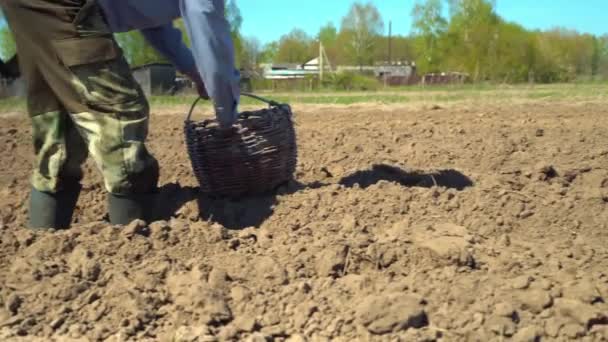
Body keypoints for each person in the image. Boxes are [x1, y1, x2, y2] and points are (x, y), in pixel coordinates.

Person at [0, 0, 239, 229]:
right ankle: (134, 243)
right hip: (64, 4)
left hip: (26, 7)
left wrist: (192, 70)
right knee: (120, 114)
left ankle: (42, 243)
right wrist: (226, 114)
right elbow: (206, 24)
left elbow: (154, 24)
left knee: (59, 123)